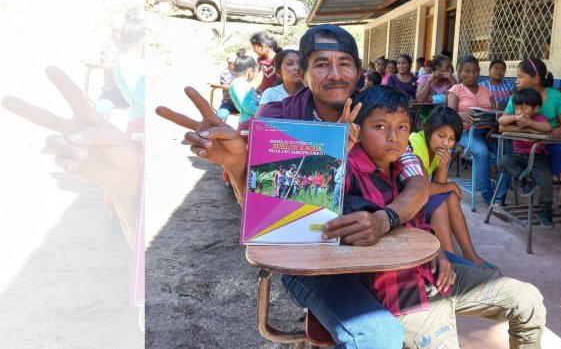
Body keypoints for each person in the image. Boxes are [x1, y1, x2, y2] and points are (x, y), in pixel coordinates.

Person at [157, 24, 432, 348]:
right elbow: (270, 216)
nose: (335, 74)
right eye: (320, 63)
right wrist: (236, 164)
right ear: (302, 72)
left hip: (367, 253)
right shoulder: (280, 120)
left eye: (344, 63)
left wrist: (384, 218)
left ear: (358, 72)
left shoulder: (377, 116)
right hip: (306, 256)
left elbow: (418, 185)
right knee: (379, 336)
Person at [346, 85, 546, 348]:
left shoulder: (405, 166)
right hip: (399, 292)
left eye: (402, 127)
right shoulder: (346, 171)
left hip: (435, 274)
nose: (394, 137)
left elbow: (419, 220)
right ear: (357, 131)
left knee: (528, 300)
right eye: (381, 127)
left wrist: (437, 253)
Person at [501, 58, 561, 230]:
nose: (516, 81)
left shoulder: (556, 96)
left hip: (549, 146)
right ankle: (527, 179)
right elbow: (502, 125)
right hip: (524, 146)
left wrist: (549, 135)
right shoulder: (516, 98)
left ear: (535, 78)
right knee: (505, 161)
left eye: (520, 76)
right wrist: (531, 132)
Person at [409, 106, 493, 268]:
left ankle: (470, 256)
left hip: (419, 199)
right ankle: (452, 258)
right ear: (429, 130)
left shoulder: (437, 150)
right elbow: (422, 189)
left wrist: (443, 166)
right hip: (406, 202)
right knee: (440, 203)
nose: (446, 143)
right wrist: (451, 185)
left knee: (449, 196)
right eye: (441, 136)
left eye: (452, 139)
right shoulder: (417, 145)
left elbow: (439, 187)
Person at [447, 55, 507, 205]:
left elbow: (495, 113)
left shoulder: (487, 91)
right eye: (467, 71)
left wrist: (491, 131)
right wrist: (463, 114)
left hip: (489, 132)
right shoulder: (456, 89)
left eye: (475, 71)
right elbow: (449, 114)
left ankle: (499, 197)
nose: (471, 75)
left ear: (479, 71)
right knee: (482, 152)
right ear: (460, 73)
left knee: (507, 155)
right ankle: (488, 197)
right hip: (466, 132)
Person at [228, 53, 260, 124]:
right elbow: (246, 105)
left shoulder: (239, 84)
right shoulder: (239, 84)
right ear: (250, 70)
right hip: (248, 123)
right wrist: (264, 111)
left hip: (249, 121)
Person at [216, 53, 239, 119]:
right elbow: (226, 87)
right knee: (219, 116)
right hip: (229, 102)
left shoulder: (243, 71)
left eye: (232, 63)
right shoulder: (225, 73)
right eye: (229, 63)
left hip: (243, 102)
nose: (230, 65)